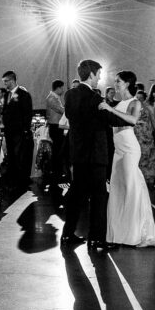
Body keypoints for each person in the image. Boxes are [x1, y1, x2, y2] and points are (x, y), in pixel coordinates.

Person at [98, 71, 155, 248]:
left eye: (118, 81)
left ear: (127, 83)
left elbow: (132, 120)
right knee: (118, 189)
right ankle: (119, 233)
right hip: (118, 150)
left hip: (129, 149)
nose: (116, 84)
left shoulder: (135, 102)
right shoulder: (119, 103)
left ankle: (135, 233)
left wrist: (109, 109)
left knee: (130, 187)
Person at [61, 59, 119, 254]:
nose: (100, 78)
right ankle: (96, 240)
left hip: (78, 154)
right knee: (99, 198)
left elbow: (72, 119)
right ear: (92, 74)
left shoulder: (70, 95)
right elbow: (109, 119)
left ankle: (68, 234)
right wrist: (129, 118)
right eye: (99, 75)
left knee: (77, 195)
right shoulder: (94, 98)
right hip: (95, 155)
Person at [0, 70, 34, 196]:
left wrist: (25, 130)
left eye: (6, 82)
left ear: (12, 80)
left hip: (19, 132)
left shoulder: (24, 94)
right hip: (9, 132)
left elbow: (27, 114)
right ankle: (13, 182)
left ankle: (21, 183)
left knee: (20, 158)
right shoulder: (6, 96)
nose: (5, 85)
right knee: (12, 158)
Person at [45, 79, 66, 189]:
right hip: (55, 127)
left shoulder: (54, 98)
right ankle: (56, 172)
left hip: (57, 127)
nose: (63, 90)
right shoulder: (52, 98)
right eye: (62, 88)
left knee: (58, 149)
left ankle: (57, 171)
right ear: (58, 88)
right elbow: (61, 110)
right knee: (57, 150)